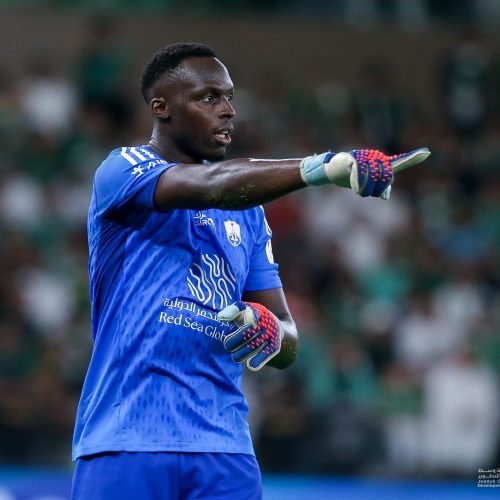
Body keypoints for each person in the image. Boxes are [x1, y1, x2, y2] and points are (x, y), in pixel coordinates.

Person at [71, 42, 429, 499]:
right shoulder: (122, 170)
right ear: (161, 107)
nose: (227, 111)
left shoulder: (250, 214)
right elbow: (210, 186)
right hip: (127, 439)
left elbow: (288, 337)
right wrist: (319, 168)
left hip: (226, 449)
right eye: (208, 98)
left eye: (229, 98)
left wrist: (270, 332)